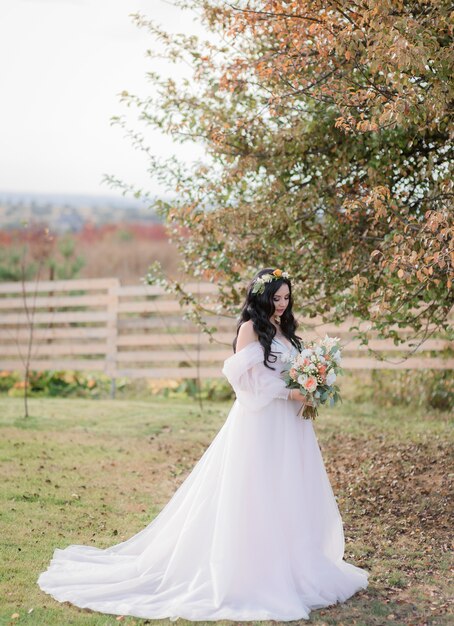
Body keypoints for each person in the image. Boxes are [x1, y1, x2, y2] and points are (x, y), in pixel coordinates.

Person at [37, 267, 369, 621]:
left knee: (288, 489)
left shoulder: (285, 331)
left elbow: (289, 370)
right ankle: (254, 570)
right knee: (257, 491)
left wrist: (310, 386)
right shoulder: (251, 329)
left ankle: (294, 563)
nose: (283, 305)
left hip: (291, 427)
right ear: (262, 296)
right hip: (261, 423)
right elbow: (247, 385)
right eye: (276, 298)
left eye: (287, 298)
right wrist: (292, 392)